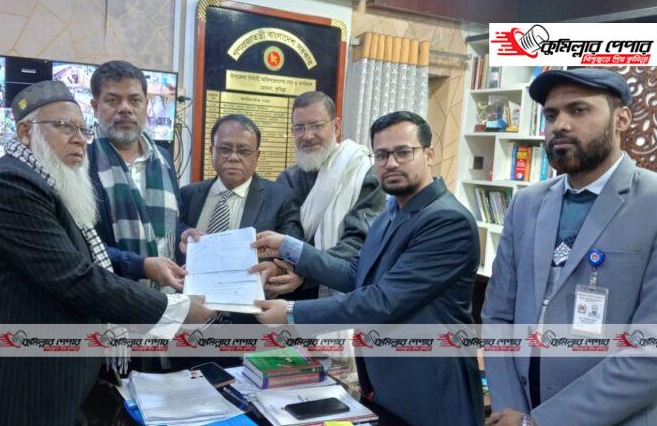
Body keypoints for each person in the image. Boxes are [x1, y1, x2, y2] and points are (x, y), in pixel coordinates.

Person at [0, 81, 215, 425]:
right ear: (25, 132)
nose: (79, 139)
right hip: (2, 388)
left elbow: (82, 251)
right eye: (64, 126)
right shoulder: (9, 186)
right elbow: (75, 277)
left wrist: (144, 265)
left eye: (83, 129)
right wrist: (176, 309)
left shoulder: (45, 181)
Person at [253, 111, 484, 425]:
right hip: (386, 381)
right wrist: (288, 247)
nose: (391, 163)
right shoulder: (391, 212)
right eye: (382, 154)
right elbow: (354, 274)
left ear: (429, 154)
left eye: (403, 152)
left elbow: (382, 301)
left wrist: (292, 313)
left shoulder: (446, 220)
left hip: (431, 387)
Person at [483, 68, 657, 426]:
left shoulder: (650, 203)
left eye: (578, 110)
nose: (559, 125)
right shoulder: (527, 204)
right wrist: (511, 410)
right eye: (551, 115)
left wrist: (543, 421)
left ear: (622, 119)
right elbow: (498, 316)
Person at [272, 91, 386, 300]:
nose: (307, 136)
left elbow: (357, 243)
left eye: (316, 125)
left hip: (340, 294)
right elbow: (283, 233)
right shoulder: (287, 179)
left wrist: (304, 273)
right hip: (287, 292)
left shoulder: (364, 175)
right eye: (299, 128)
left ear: (336, 126)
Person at [87, 60, 186, 292]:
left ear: (146, 105)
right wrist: (141, 266)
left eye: (134, 100)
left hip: (166, 299)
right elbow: (81, 244)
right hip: (109, 295)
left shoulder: (163, 159)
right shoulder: (82, 161)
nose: (125, 109)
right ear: (95, 106)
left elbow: (169, 226)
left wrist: (184, 234)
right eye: (113, 100)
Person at [180, 114, 302, 243]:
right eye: (225, 149)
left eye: (243, 151)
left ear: (257, 156)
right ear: (211, 151)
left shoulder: (282, 199)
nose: (233, 157)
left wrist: (270, 257)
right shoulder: (187, 195)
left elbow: (292, 248)